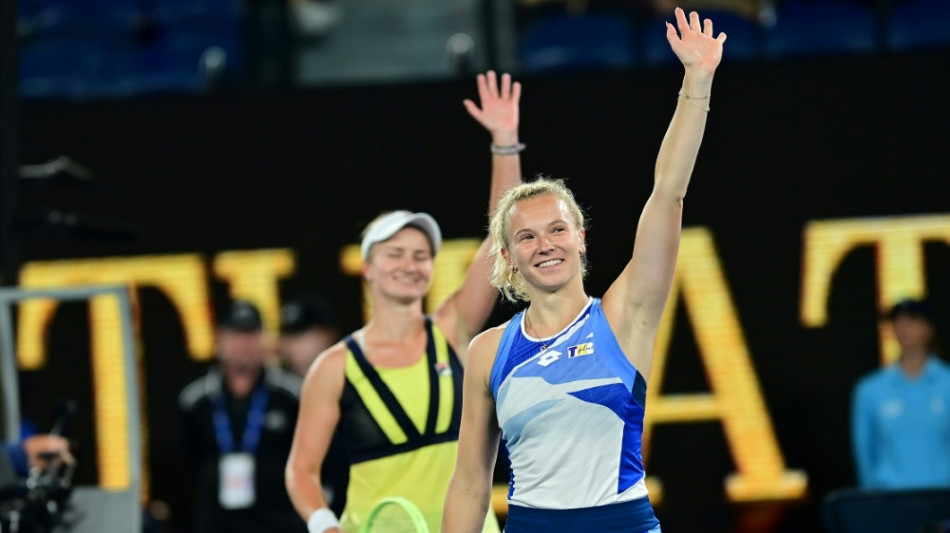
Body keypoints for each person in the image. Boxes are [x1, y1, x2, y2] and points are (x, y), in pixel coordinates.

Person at [442, 8, 724, 532]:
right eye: (525, 236)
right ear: (507, 257)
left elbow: (668, 193)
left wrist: (697, 84)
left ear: (580, 238)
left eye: (556, 229)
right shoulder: (487, 352)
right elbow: (469, 483)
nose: (544, 245)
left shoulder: (625, 314)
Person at [285, 70, 523, 533]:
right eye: (395, 254)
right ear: (368, 268)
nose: (409, 264)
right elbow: (300, 471)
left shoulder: (452, 331)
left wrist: (505, 141)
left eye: (420, 256)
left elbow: (501, 238)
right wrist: (322, 523)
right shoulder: (335, 367)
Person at [178, 300, 306, 533]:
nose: (244, 344)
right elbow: (183, 473)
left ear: (263, 339)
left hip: (278, 523)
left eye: (251, 334)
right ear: (220, 338)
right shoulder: (196, 401)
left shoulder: (290, 396)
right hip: (216, 525)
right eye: (236, 334)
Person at [851, 298, 950, 490]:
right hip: (891, 498)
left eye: (912, 320)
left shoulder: (947, 383)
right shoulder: (870, 389)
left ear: (929, 328)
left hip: (943, 497)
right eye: (898, 322)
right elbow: (864, 450)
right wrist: (873, 498)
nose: (904, 328)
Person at [279, 294, 349, 517]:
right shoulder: (279, 398)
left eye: (305, 334)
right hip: (293, 518)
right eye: (291, 336)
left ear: (328, 335)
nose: (298, 346)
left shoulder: (356, 385)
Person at [279, 294, 341, 378]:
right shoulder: (276, 385)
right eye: (289, 336)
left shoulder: (351, 379)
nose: (294, 347)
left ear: (327, 335)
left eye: (302, 336)